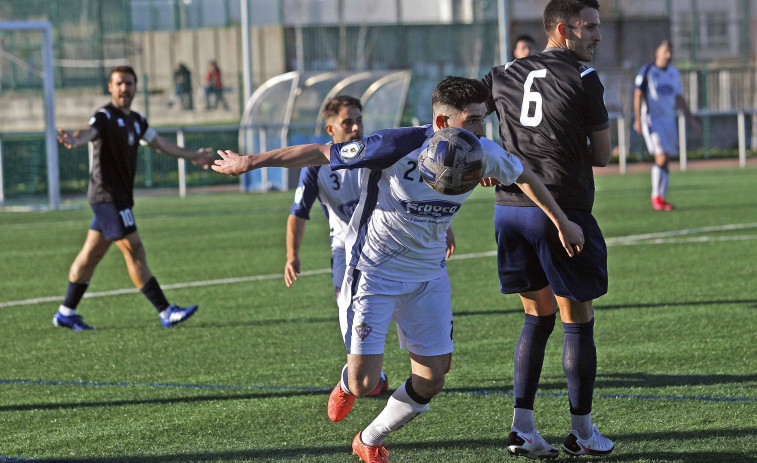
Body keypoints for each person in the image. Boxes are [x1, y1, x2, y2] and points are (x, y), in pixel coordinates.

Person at [213, 76, 585, 463]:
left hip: (428, 277)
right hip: (374, 272)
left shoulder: (481, 151)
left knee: (433, 377)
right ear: (442, 123)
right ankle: (347, 381)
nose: (481, 129)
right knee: (363, 383)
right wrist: (250, 161)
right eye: (472, 120)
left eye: (483, 119)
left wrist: (561, 221)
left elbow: (524, 175)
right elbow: (322, 152)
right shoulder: (396, 145)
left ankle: (369, 439)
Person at [482, 0, 615, 458]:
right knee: (577, 324)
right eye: (590, 27)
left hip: (509, 209)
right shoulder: (583, 78)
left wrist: (483, 156)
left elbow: (461, 111)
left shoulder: (503, 72)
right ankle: (582, 432)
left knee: (536, 318)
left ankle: (522, 427)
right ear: (563, 29)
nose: (597, 35)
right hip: (561, 211)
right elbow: (602, 156)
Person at [53, 65, 215, 331]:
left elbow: (160, 144)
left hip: (118, 198)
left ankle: (66, 312)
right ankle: (166, 311)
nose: (124, 88)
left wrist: (193, 156)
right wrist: (76, 139)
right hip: (107, 197)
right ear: (110, 87)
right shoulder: (104, 116)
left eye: (129, 83)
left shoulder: (137, 121)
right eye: (119, 83)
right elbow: (88, 132)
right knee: (135, 249)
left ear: (135, 87)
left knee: (92, 254)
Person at [286, 95, 389, 397]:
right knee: (348, 307)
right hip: (345, 247)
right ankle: (371, 374)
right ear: (330, 130)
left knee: (398, 305)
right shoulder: (316, 167)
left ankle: (426, 360)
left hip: (386, 241)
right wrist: (292, 255)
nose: (356, 128)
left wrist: (443, 228)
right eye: (348, 122)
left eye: (359, 120)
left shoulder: (378, 153)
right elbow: (298, 213)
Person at [633, 39, 701, 211]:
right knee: (661, 157)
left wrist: (691, 119)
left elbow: (679, 98)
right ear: (658, 54)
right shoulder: (647, 70)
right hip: (652, 120)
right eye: (665, 52)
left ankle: (662, 198)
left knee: (666, 160)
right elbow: (638, 95)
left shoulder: (673, 73)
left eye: (670, 52)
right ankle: (656, 197)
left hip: (669, 121)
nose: (669, 55)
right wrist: (637, 120)